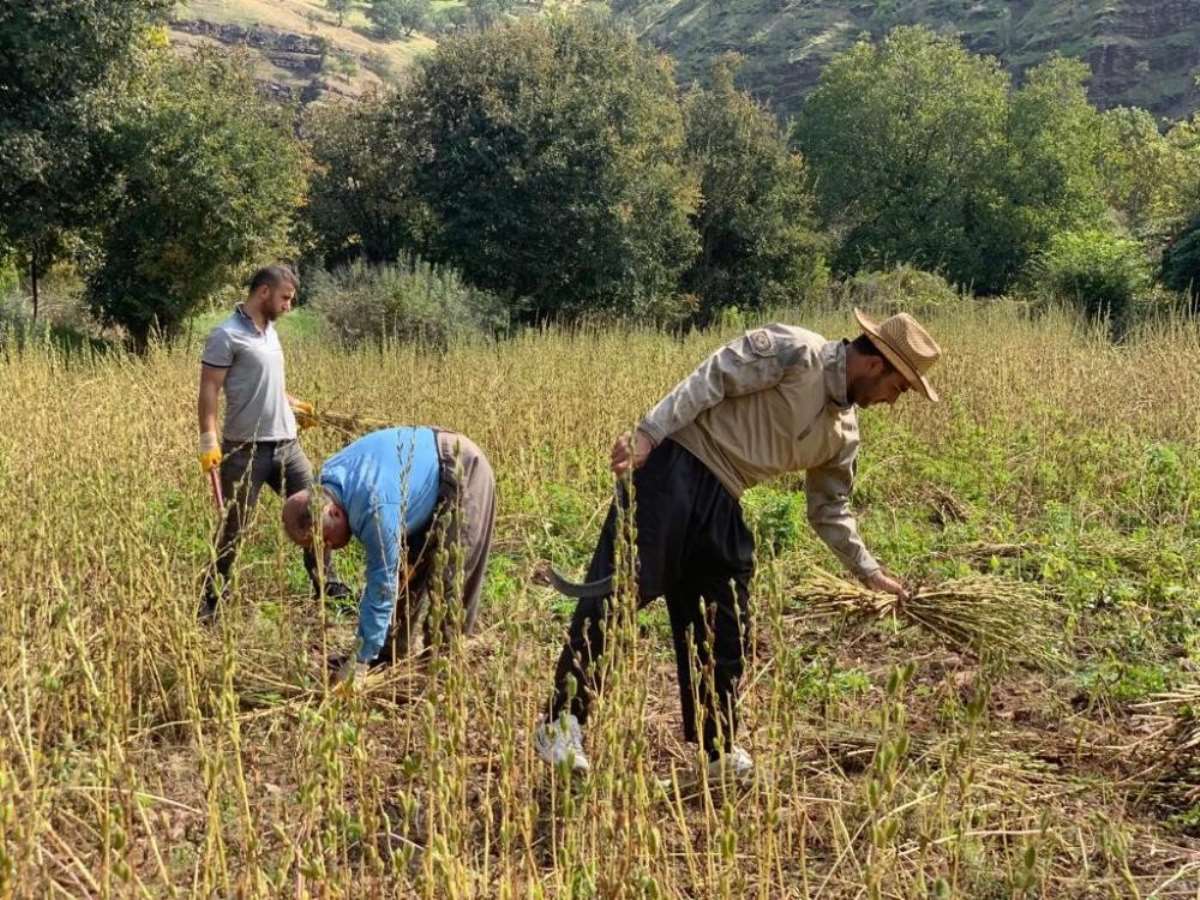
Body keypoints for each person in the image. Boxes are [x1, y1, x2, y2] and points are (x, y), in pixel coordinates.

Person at [534, 308, 942, 780]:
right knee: (620, 595)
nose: (894, 400)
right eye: (899, 386)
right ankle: (561, 721)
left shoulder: (843, 433)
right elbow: (713, 376)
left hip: (725, 498)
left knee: (724, 620)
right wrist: (648, 433)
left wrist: (867, 570)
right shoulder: (796, 351)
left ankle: (717, 749)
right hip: (676, 467)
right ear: (876, 364)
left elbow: (829, 507)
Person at [281, 426, 496, 681]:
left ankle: (440, 674)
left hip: (462, 469)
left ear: (335, 513)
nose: (327, 547)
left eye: (325, 539)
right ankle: (385, 656)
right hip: (416, 481)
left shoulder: (374, 508)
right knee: (407, 574)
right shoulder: (327, 480)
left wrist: (358, 662)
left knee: (450, 583)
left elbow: (383, 585)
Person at [197, 264, 348, 621]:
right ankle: (212, 597)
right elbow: (209, 389)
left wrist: (294, 406)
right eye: (284, 298)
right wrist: (208, 439)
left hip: (287, 446)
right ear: (263, 292)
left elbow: (268, 385)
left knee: (317, 512)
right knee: (235, 525)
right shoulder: (226, 335)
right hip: (245, 450)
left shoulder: (271, 333)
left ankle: (327, 585)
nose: (288, 306)